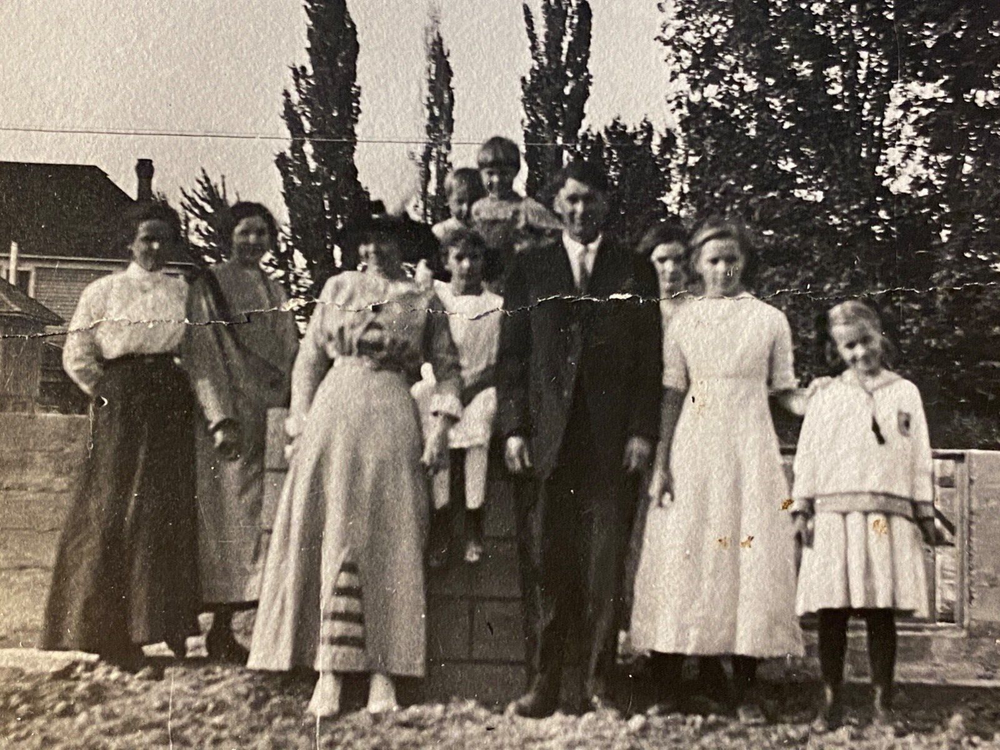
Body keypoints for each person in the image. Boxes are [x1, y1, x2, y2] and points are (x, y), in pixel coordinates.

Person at [247, 214, 463, 718]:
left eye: (384, 240)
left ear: (401, 245)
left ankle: (382, 673)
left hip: (391, 411)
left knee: (390, 533)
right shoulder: (337, 288)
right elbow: (308, 360)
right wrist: (299, 423)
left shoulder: (423, 297)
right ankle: (328, 671)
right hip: (334, 412)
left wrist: (440, 427)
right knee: (331, 529)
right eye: (365, 239)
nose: (373, 248)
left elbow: (449, 369)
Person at [498, 160, 663, 717]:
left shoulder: (635, 270)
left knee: (604, 564)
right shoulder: (530, 268)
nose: (579, 209)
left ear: (606, 203)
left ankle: (600, 684)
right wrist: (515, 426)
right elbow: (513, 355)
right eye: (570, 199)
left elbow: (649, 358)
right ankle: (543, 684)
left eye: (590, 199)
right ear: (556, 204)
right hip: (548, 438)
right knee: (547, 560)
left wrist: (642, 430)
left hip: (610, 440)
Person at [630, 217, 806, 719]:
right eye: (713, 260)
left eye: (733, 259)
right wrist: (661, 463)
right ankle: (669, 681)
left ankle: (741, 685)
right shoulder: (684, 320)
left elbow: (785, 391)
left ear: (745, 262)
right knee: (685, 549)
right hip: (694, 443)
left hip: (750, 445)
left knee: (747, 552)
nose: (724, 269)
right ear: (698, 265)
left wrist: (831, 400)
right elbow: (670, 393)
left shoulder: (770, 319)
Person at [41, 202, 200, 674]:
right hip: (121, 402)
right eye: (146, 237)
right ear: (129, 242)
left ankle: (160, 624)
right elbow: (77, 354)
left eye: (163, 238)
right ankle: (106, 633)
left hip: (170, 401)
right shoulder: (104, 290)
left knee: (162, 510)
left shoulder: (183, 292)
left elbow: (196, 352)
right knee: (112, 506)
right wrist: (110, 394)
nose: (154, 247)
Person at [792, 300, 935, 731]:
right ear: (839, 350)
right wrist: (801, 506)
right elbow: (809, 455)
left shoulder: (905, 391)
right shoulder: (828, 394)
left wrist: (923, 508)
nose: (860, 353)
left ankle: (882, 702)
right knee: (832, 609)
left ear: (880, 335)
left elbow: (918, 453)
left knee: (880, 610)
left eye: (866, 341)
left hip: (886, 514)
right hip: (835, 513)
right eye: (849, 346)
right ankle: (831, 699)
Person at [184, 202, 299, 662]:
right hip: (228, 418)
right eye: (244, 232)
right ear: (228, 235)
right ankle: (217, 626)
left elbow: (291, 350)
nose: (253, 241)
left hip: (268, 414)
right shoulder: (209, 284)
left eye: (261, 234)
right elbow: (203, 351)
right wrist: (220, 417)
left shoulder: (275, 287)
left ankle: (244, 627)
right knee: (223, 521)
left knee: (259, 524)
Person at [413, 228, 503, 566]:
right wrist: (446, 387)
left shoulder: (496, 305)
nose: (467, 266)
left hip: (479, 385)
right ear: (446, 262)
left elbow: (496, 363)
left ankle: (474, 521)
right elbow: (428, 352)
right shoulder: (437, 299)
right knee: (430, 407)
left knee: (482, 416)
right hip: (440, 381)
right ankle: (441, 519)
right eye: (459, 258)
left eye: (474, 258)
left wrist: (470, 387)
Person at [470, 136, 561, 291]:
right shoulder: (478, 209)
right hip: (484, 284)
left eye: (504, 173)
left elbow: (560, 234)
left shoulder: (526, 207)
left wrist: (534, 245)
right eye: (490, 173)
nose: (497, 179)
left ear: (515, 172)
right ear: (481, 173)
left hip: (517, 281)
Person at [432, 168, 486, 243]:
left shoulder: (485, 230)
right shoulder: (442, 231)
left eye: (473, 201)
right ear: (447, 200)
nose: (466, 208)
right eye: (460, 201)